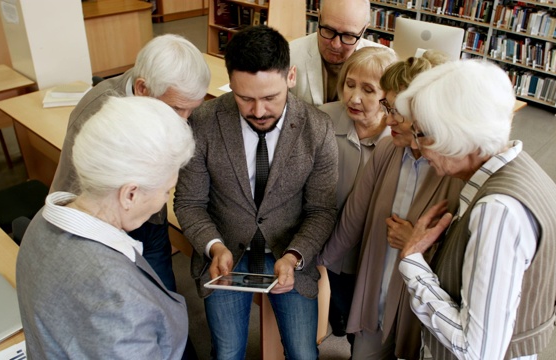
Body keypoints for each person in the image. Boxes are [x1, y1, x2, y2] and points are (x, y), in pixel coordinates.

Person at [173, 25, 338, 360]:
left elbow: (321, 210)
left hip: (289, 251)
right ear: (230, 82)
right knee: (228, 352)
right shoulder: (203, 122)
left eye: (270, 98)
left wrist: (294, 257)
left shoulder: (317, 129)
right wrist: (214, 246)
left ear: (291, 76)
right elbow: (189, 203)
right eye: (245, 98)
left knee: (303, 353)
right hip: (224, 251)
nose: (259, 111)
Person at [397, 60, 556, 360]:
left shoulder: (498, 212)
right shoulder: (527, 171)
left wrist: (413, 263)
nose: (416, 146)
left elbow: (476, 349)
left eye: (422, 134)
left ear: (463, 137)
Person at [17, 96, 195, 358]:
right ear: (130, 194)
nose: (164, 200)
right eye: (167, 190)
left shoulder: (40, 222)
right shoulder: (118, 300)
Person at [318, 51, 464, 359]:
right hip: (377, 290)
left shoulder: (455, 172)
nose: (389, 118)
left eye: (398, 110)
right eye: (389, 107)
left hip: (421, 304)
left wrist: (415, 244)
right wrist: (311, 264)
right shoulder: (388, 149)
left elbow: (460, 255)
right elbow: (351, 221)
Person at [50, 34, 210, 292]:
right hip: (104, 225)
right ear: (142, 89)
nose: (184, 120)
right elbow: (72, 194)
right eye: (177, 109)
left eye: (191, 109)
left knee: (162, 293)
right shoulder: (96, 115)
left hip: (149, 215)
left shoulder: (165, 98)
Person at [318, 46, 396, 342]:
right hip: (323, 247)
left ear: (388, 97)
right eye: (349, 84)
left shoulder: (397, 141)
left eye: (368, 90)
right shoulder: (322, 118)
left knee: (360, 328)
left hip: (367, 258)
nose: (353, 98)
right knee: (335, 304)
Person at [290, 0, 392, 106]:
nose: (336, 44)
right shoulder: (290, 55)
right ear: (319, 17)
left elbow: (390, 114)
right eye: (329, 30)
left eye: (348, 35)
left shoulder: (386, 63)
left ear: (364, 30)